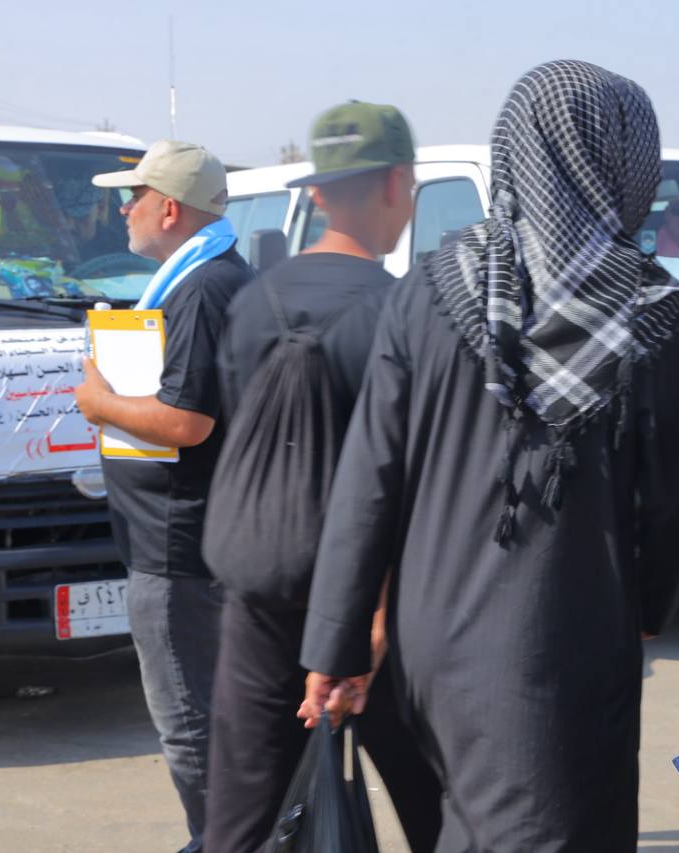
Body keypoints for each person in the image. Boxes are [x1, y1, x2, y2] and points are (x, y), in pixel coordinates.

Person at [295, 60, 679, 850]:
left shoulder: (430, 286)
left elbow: (369, 482)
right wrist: (644, 605)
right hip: (562, 643)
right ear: (622, 161)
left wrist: (337, 644)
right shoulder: (649, 307)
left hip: (430, 643)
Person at [201, 102, 441, 853]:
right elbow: (412, 482)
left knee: (241, 816)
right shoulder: (407, 311)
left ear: (316, 192)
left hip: (258, 592)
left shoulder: (249, 303)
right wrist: (373, 620)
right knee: (436, 809)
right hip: (380, 610)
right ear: (398, 183)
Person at [75, 139, 253, 853]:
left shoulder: (202, 289)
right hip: (185, 536)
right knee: (208, 716)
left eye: (134, 197)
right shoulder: (209, 277)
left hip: (178, 548)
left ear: (170, 209)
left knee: (190, 724)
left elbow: (186, 421)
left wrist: (101, 404)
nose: (125, 210)